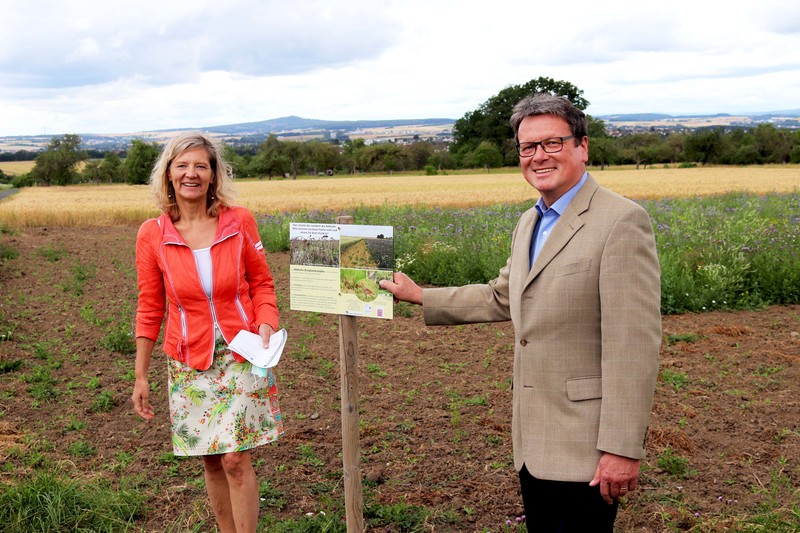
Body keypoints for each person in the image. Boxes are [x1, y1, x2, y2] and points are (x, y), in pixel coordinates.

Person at [380, 93, 661, 532]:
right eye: (528, 147)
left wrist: (622, 448)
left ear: (582, 146)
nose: (538, 156)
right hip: (533, 441)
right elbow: (503, 295)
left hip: (586, 446)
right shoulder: (530, 221)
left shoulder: (621, 222)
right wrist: (422, 296)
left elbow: (634, 346)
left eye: (552, 143)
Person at [131, 132, 283, 533]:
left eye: (201, 165)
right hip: (188, 357)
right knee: (211, 458)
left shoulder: (239, 221)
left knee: (235, 458)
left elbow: (262, 283)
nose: (191, 174)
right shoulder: (152, 233)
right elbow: (150, 307)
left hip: (241, 352)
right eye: (182, 165)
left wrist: (267, 320)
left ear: (214, 175)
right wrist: (141, 375)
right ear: (168, 175)